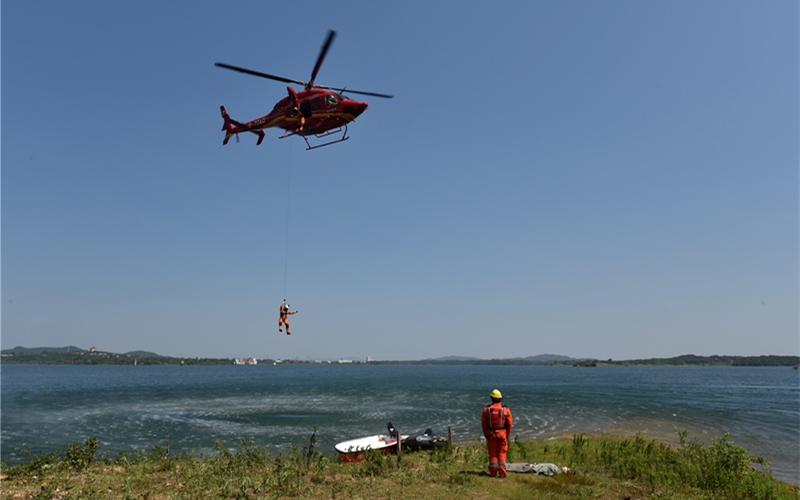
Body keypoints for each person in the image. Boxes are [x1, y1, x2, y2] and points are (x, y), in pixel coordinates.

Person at [481, 388, 513, 478]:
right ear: (500, 399)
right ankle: (502, 473)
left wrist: (486, 433)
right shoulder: (506, 410)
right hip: (502, 433)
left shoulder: (486, 410)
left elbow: (483, 423)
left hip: (491, 434)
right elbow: (510, 424)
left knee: (493, 454)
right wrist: (507, 434)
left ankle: (493, 473)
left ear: (491, 398)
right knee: (502, 453)